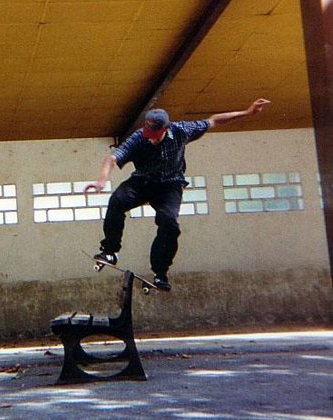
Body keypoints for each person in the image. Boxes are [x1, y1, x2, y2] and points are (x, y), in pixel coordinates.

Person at [84, 99, 271, 290]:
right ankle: (109, 251)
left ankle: (160, 272)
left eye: (155, 136)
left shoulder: (182, 130)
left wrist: (248, 113)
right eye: (149, 135)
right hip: (142, 182)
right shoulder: (138, 137)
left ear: (166, 128)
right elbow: (112, 158)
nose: (151, 139)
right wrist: (102, 180)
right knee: (117, 200)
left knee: (169, 223)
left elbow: (213, 121)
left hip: (170, 186)